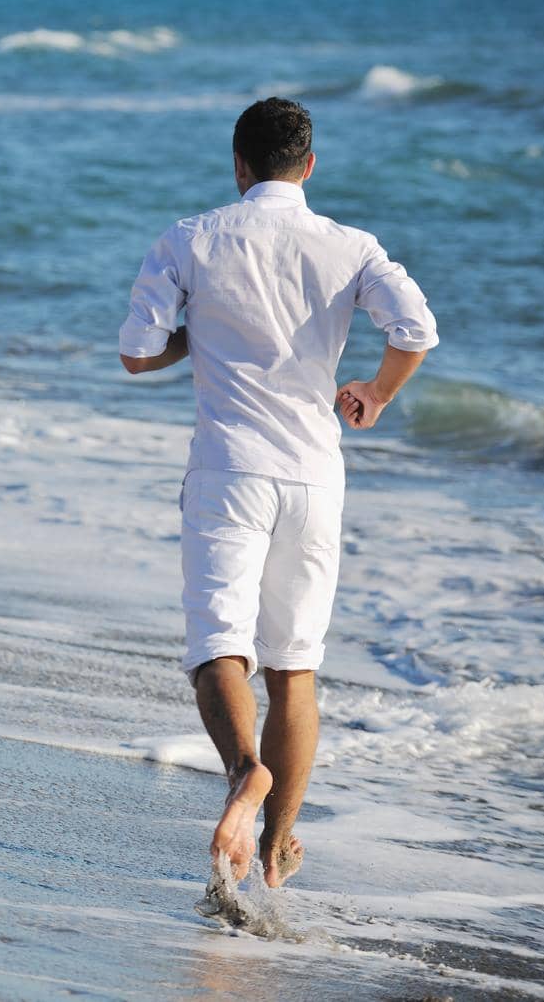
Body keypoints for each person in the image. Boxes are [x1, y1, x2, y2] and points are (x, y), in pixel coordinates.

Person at [118, 97, 438, 889]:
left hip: (230, 469)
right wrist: (376, 393)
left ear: (238, 165)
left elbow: (136, 352)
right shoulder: (350, 245)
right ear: (310, 165)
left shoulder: (192, 238)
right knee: (295, 667)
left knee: (218, 647)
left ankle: (242, 773)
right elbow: (416, 329)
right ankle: (277, 844)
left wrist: (200, 337)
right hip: (314, 474)